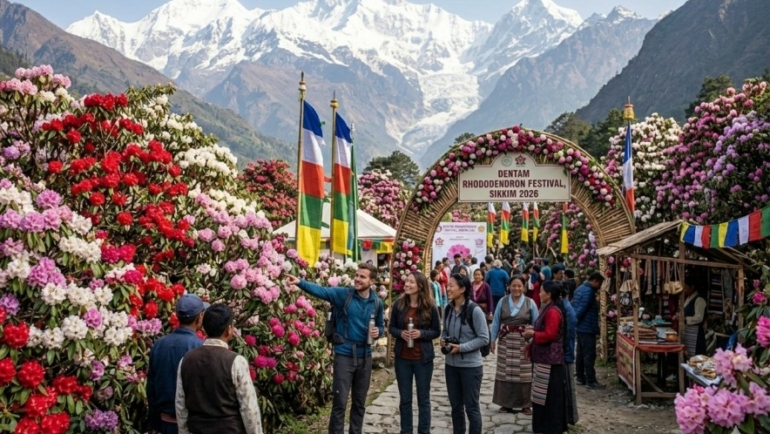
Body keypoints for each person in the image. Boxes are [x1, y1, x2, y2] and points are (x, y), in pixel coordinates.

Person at [285, 263, 384, 434]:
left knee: (359, 403)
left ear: (372, 281)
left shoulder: (377, 302)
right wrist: (300, 282)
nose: (358, 279)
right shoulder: (343, 295)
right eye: (357, 275)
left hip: (365, 356)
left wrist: (378, 331)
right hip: (344, 356)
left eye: (363, 277)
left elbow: (381, 326)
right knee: (340, 403)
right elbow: (321, 291)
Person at [175, 304, 263, 434]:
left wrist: (184, 432)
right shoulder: (236, 362)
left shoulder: (186, 360)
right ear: (229, 330)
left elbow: (180, 405)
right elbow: (249, 409)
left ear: (204, 329)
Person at [389, 272, 441, 434]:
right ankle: (406, 431)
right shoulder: (399, 304)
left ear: (420, 286)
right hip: (402, 358)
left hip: (423, 359)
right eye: (406, 281)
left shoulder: (430, 306)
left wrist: (421, 334)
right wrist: (400, 333)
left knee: (423, 399)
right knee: (405, 399)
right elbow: (391, 328)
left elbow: (436, 331)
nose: (407, 284)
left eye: (411, 282)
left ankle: (423, 431)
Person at [147, 294, 208, 434]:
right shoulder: (201, 347)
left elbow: (151, 388)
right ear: (199, 318)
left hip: (166, 423)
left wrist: (157, 423)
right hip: (192, 425)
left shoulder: (159, 345)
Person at [442, 273, 489, 434]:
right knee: (456, 408)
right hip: (451, 365)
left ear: (462, 289)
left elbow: (484, 338)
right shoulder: (447, 309)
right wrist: (443, 340)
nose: (448, 288)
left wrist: (461, 347)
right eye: (448, 285)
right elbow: (445, 330)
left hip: (470, 366)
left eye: (451, 285)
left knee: (471, 408)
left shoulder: (474, 311)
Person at [522, 281, 568, 434]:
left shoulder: (553, 311)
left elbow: (550, 334)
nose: (539, 293)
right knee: (541, 396)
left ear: (549, 294)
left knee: (548, 397)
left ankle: (550, 428)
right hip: (543, 359)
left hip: (550, 361)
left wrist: (533, 334)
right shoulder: (546, 309)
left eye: (541, 291)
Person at [490, 275, 539, 415]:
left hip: (524, 342)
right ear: (509, 287)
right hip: (505, 341)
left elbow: (536, 323)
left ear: (523, 287)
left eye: (519, 286)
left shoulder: (530, 303)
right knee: (505, 372)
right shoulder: (502, 301)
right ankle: (506, 403)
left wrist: (535, 339)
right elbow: (496, 322)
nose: (516, 288)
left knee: (524, 373)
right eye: (514, 286)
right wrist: (492, 340)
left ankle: (525, 404)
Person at [572, 271, 606, 389]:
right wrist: (576, 321)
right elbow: (582, 309)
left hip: (581, 327)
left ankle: (580, 377)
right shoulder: (589, 292)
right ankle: (591, 380)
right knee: (589, 355)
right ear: (595, 281)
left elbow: (575, 306)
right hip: (587, 327)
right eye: (600, 284)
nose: (600, 287)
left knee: (581, 353)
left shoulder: (579, 288)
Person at [558, 282, 579, 425]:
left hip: (565, 354)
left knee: (566, 387)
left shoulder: (565, 310)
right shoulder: (564, 307)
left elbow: (567, 334)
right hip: (565, 353)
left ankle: (568, 419)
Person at [682, 279, 707, 356]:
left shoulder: (699, 300)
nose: (684, 290)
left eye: (686, 288)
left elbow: (699, 318)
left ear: (692, 287)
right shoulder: (688, 298)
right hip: (689, 331)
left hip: (696, 333)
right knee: (688, 355)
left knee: (696, 356)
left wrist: (686, 319)